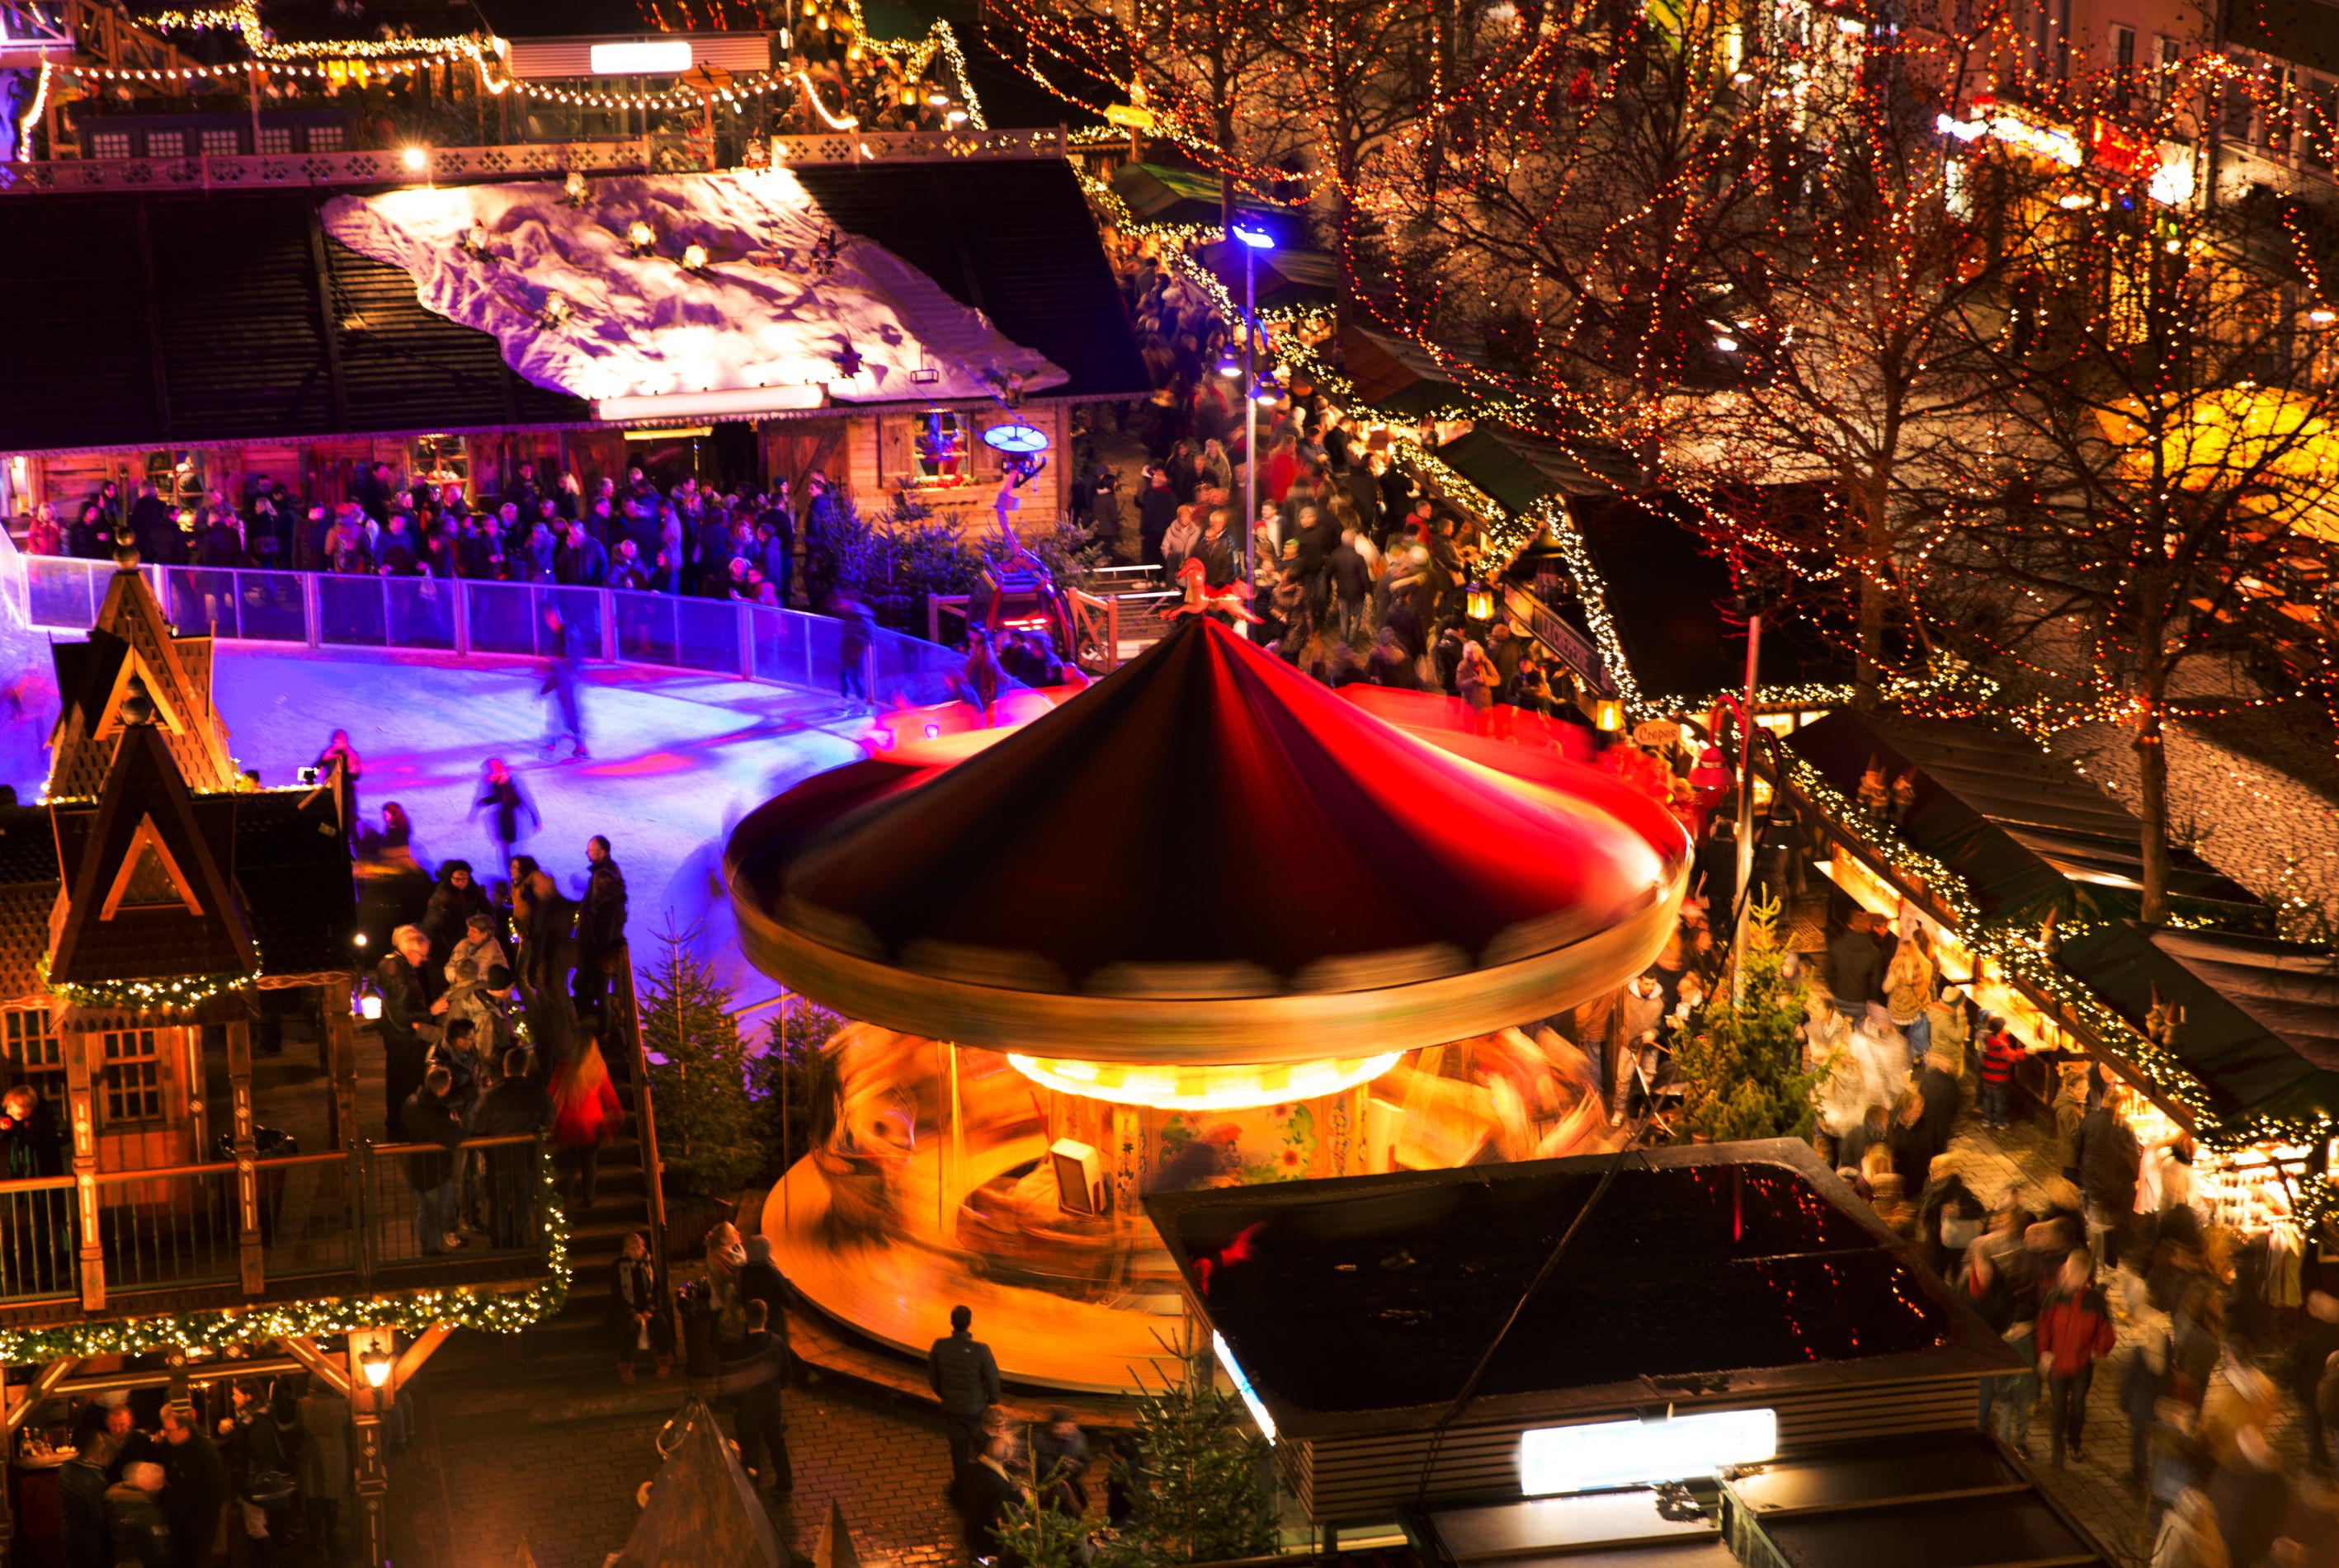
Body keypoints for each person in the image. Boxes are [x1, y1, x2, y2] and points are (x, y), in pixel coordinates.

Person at [2038, 1246, 2116, 1466]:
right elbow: (2044, 1326)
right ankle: (2057, 1450)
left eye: (2072, 1273)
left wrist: (2099, 1350)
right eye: (2066, 1271)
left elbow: (2106, 1331)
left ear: (2083, 1276)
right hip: (2057, 1364)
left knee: (2079, 1406)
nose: (2066, 1276)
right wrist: (2044, 1351)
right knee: (2058, 1406)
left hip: (2082, 1364)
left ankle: (2074, 1443)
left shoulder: (2095, 1301)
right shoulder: (2054, 1297)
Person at [473, 1048, 553, 1246]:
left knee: (498, 1200)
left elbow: (476, 1126)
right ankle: (516, 1236)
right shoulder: (537, 1092)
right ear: (525, 1068)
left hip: (497, 1158)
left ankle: (499, 1240)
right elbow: (549, 1117)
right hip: (525, 1157)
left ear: (505, 1067)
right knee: (523, 1199)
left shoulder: (491, 1096)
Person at [376, 925, 446, 1133]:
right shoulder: (403, 979)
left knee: (395, 1083)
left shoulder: (387, 962)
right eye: (422, 956)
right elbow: (402, 1015)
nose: (423, 960)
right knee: (408, 1085)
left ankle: (395, 1124)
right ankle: (407, 1128)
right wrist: (430, 1012)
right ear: (410, 952)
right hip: (406, 1039)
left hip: (393, 1036)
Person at [549, 1029, 622, 1213]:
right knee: (590, 1162)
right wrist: (616, 1118)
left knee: (570, 1163)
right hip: (592, 1123)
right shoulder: (598, 1068)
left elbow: (552, 1091)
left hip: (569, 1123)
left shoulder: (565, 1066)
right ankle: (589, 1197)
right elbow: (610, 1097)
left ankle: (566, 1198)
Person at [725, 1298, 792, 1494]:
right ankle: (785, 1483)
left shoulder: (739, 1349)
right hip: (771, 1406)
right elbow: (786, 1375)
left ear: (746, 1319)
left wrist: (735, 1405)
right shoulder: (777, 1343)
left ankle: (753, 1489)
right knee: (776, 1444)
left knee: (750, 1449)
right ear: (765, 1318)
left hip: (747, 1410)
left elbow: (731, 1384)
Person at [929, 1304, 1002, 1481]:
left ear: (951, 1322)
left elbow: (933, 1376)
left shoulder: (940, 1346)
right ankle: (984, 1482)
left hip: (952, 1408)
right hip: (976, 1410)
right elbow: (992, 1377)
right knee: (983, 1447)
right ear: (970, 1323)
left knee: (958, 1449)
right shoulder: (981, 1350)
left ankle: (961, 1485)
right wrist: (993, 1400)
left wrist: (944, 1395)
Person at [401, 1064, 466, 1256]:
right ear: (443, 1088)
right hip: (436, 1169)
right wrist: (457, 1125)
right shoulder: (436, 1114)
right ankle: (432, 1250)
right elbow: (454, 1137)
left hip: (417, 1165)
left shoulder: (412, 1102)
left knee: (424, 1209)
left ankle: (427, 1248)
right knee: (436, 1212)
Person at [159, 1401, 227, 1568]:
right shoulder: (168, 1447)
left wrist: (200, 1526)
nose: (165, 1434)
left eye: (169, 1430)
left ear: (184, 1429)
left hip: (198, 1530)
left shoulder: (206, 1454)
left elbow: (216, 1494)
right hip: (176, 1526)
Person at [611, 1231, 675, 1382]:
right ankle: (626, 1366)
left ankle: (663, 1361)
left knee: (662, 1323)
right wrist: (632, 1312)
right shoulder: (618, 1266)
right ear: (626, 1249)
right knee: (626, 1327)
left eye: (639, 1248)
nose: (637, 1252)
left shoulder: (648, 1262)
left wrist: (650, 1310)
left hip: (647, 1307)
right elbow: (617, 1293)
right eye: (633, 1249)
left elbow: (656, 1288)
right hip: (628, 1307)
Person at [60, 1405, 116, 1568]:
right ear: (98, 1451)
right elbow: (97, 1520)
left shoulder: (66, 1468)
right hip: (90, 1544)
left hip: (70, 1535)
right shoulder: (95, 1480)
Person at [960, 1431, 1026, 1562]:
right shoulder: (999, 1484)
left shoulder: (971, 1469)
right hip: (988, 1540)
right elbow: (1003, 1513)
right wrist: (1021, 1496)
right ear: (1007, 1457)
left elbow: (955, 1495)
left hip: (971, 1531)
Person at [470, 758, 539, 870]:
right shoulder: (493, 781)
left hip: (513, 819)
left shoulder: (512, 780)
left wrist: (535, 819)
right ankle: (511, 873)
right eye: (490, 768)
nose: (491, 771)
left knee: (513, 849)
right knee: (505, 847)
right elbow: (498, 797)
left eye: (494, 768)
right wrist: (482, 803)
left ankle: (517, 871)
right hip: (503, 818)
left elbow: (525, 799)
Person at [539, 606, 589, 760]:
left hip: (566, 678)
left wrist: (551, 679)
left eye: (550, 618)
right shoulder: (566, 631)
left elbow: (564, 657)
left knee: (563, 710)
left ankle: (556, 743)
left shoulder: (565, 632)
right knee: (567, 710)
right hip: (569, 677)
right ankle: (576, 744)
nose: (549, 622)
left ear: (555, 616)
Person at [105, 1461, 172, 1568]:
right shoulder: (144, 1509)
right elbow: (156, 1547)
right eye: (158, 1481)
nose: (161, 1486)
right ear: (147, 1483)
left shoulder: (112, 1499)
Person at [1978, 1016, 2025, 1129]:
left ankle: (1986, 1120)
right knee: (1999, 1101)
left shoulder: (1988, 1037)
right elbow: (2011, 1057)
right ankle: (2000, 1122)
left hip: (1987, 1075)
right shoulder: (2000, 1044)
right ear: (2000, 1029)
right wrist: (2025, 1052)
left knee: (1987, 1099)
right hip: (1998, 1078)